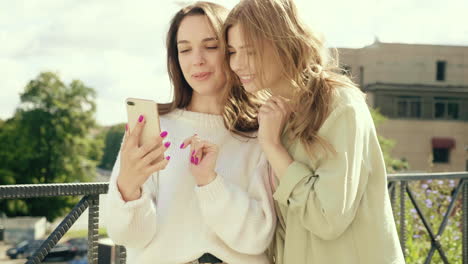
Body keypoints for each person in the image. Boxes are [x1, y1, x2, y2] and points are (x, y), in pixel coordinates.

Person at [223, 0, 405, 263]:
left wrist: (273, 147)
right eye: (232, 51)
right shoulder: (275, 115)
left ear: (284, 43)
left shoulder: (340, 106)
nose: (237, 64)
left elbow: (326, 216)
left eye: (250, 52)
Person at [105, 2, 275, 264]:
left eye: (210, 46)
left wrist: (209, 182)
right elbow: (129, 237)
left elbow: (257, 238)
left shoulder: (263, 132)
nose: (197, 60)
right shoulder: (154, 127)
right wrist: (128, 188)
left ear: (232, 51)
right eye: (184, 49)